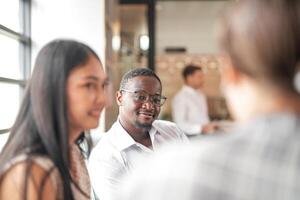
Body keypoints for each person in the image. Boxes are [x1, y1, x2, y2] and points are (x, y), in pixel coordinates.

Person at [115, 0, 300, 199]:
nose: (150, 104)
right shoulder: (179, 107)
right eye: (199, 75)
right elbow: (183, 123)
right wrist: (203, 129)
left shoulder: (168, 175)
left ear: (230, 72)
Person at [0, 39, 108, 200]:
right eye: (89, 85)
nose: (103, 99)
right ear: (54, 87)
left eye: (103, 86)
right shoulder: (29, 172)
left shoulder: (73, 151)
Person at [88, 68, 188, 200]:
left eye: (156, 99)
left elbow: (197, 177)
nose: (149, 106)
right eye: (140, 97)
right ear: (120, 98)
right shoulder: (106, 156)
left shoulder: (173, 132)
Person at [172, 65, 218, 135]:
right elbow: (179, 124)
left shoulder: (201, 95)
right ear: (189, 78)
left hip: (206, 136)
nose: (203, 80)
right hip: (192, 139)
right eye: (199, 77)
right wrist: (200, 128)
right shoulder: (181, 97)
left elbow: (203, 119)